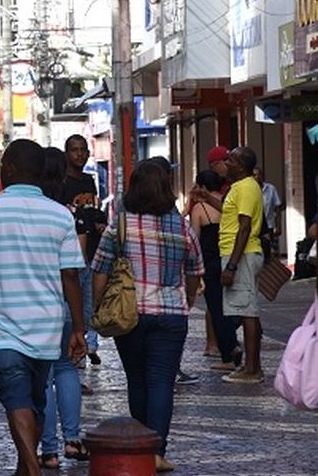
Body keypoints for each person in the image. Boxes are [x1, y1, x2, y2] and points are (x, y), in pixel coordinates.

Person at [0, 140, 86, 476]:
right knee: (25, 399)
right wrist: (79, 327)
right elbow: (70, 276)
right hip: (48, 326)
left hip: (7, 326)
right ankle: (28, 469)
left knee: (24, 400)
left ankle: (29, 471)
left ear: (8, 169)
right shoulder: (60, 215)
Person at [91, 160, 204, 472]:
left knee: (137, 380)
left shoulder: (121, 225)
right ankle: (157, 449)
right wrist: (188, 296)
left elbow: (99, 269)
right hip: (170, 314)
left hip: (130, 313)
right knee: (161, 382)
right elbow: (195, 269)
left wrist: (96, 306)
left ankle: (140, 445)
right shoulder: (181, 226)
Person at [37, 148, 88, 469]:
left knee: (44, 377)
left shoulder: (31, 211)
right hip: (66, 303)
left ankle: (50, 450)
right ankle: (72, 439)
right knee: (67, 369)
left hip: (37, 305)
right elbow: (74, 268)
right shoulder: (66, 213)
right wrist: (81, 324)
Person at [217, 147, 265, 384]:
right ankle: (250, 365)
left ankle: (252, 369)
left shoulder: (246, 187)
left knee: (248, 312)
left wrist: (232, 265)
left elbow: (244, 227)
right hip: (236, 253)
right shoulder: (239, 187)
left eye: (231, 160)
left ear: (242, 166)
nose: (226, 163)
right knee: (245, 310)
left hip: (242, 255)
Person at [190, 170, 241, 372]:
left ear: (202, 187)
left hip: (210, 263)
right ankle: (234, 341)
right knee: (233, 304)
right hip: (230, 258)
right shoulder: (228, 202)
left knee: (217, 308)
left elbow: (195, 239)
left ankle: (229, 351)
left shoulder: (200, 209)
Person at [62, 135, 101, 368]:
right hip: (72, 254)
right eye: (74, 150)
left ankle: (82, 348)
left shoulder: (89, 180)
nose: (79, 154)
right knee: (72, 305)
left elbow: (92, 210)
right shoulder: (62, 183)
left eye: (82, 150)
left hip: (93, 251)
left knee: (88, 307)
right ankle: (73, 352)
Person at [254, 167, 284, 256]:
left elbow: (277, 208)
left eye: (259, 174)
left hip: (268, 226)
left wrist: (278, 226)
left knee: (269, 251)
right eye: (255, 175)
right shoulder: (249, 189)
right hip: (255, 226)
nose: (257, 177)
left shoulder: (270, 188)